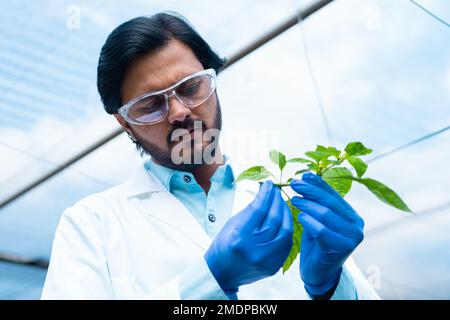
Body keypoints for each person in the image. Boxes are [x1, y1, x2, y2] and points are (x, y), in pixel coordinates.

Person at [41, 12, 379, 300]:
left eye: (190, 88)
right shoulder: (91, 224)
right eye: (150, 105)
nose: (178, 112)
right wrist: (209, 282)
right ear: (125, 124)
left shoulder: (288, 201)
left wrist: (330, 286)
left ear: (213, 83)